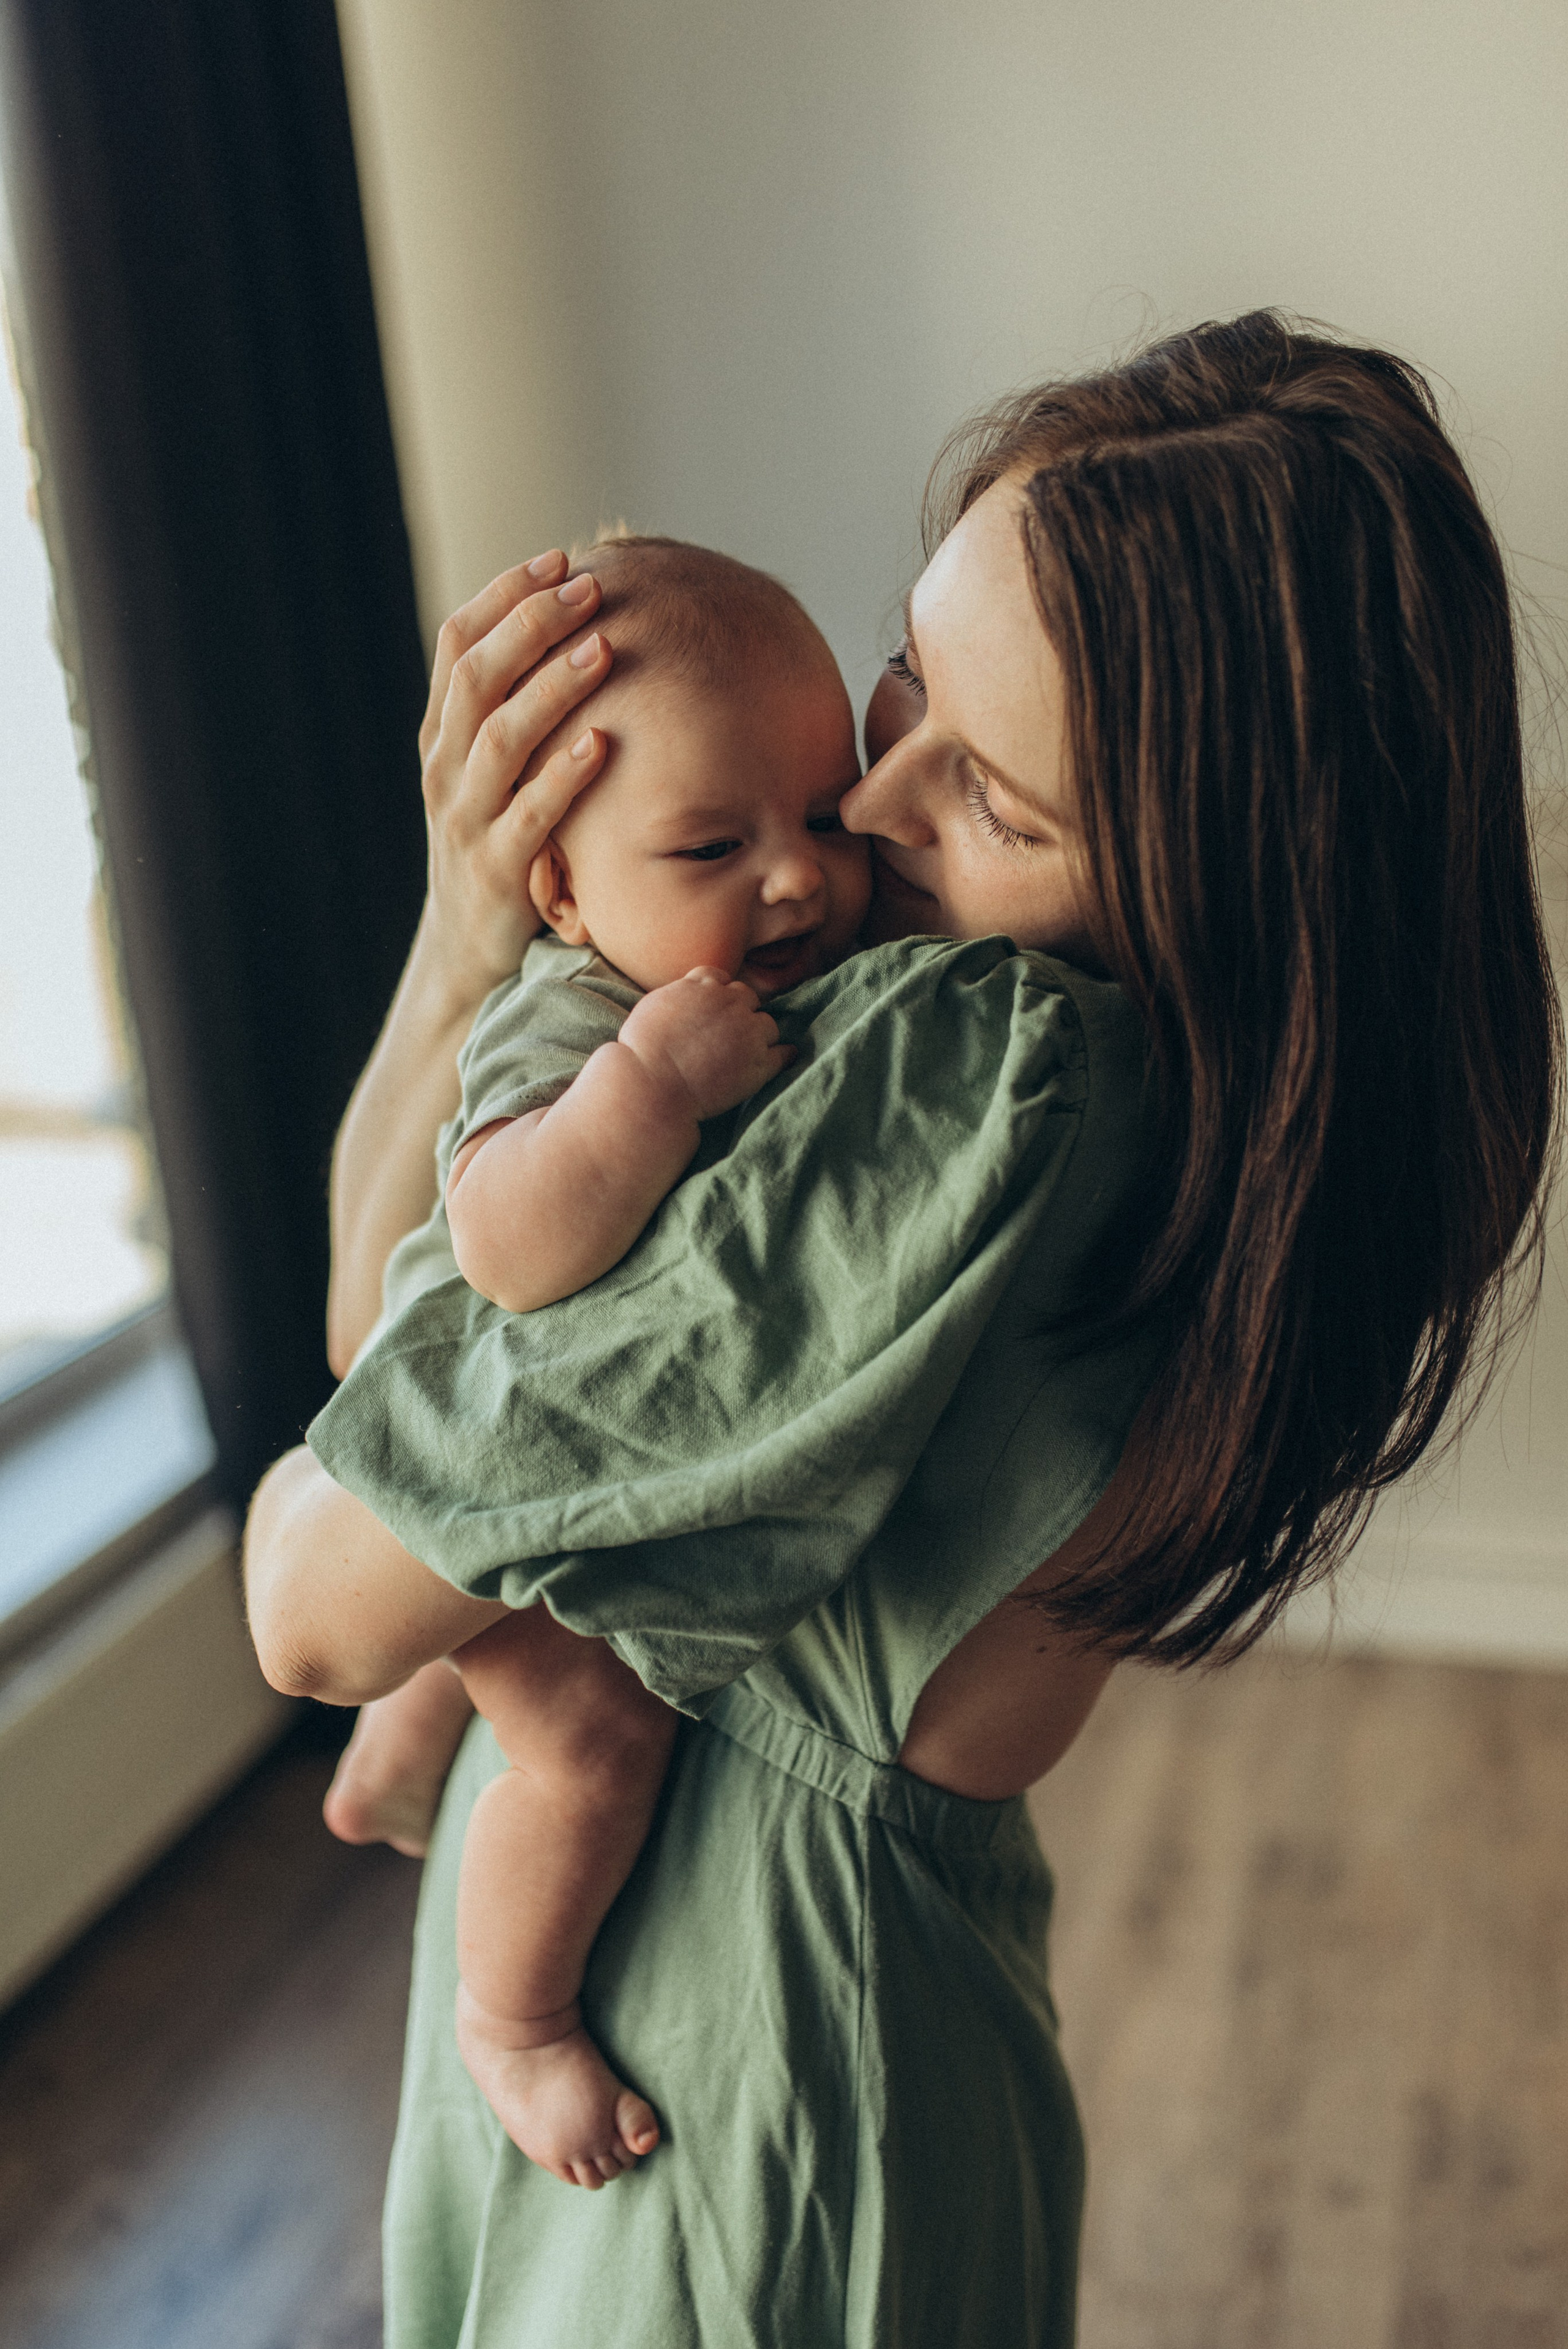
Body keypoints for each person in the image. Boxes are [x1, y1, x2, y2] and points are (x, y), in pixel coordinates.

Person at [244, 314, 1561, 2348]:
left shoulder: (974, 1066)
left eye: (1000, 802)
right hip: (792, 2002)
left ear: (1206, 891)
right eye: (912, 678)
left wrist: (485, 953)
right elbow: (418, 1375)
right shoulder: (1150, 1078)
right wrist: (485, 928)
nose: (861, 800)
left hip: (726, 2073)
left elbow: (333, 1580)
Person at [318, 534, 870, 2185]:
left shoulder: (760, 966)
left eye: (826, 816)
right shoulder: (573, 1018)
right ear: (561, 891)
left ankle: (407, 1731)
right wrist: (648, 1087)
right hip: (462, 1445)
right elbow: (506, 1241)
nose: (797, 880)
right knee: (591, 1742)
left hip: (499, 1469)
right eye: (714, 843)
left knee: (467, 1654)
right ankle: (519, 2016)